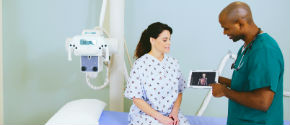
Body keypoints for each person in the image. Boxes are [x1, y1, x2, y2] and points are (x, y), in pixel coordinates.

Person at [211, 1, 284, 125]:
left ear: (240, 23)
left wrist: (225, 91)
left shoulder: (265, 50)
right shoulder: (247, 47)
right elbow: (249, 85)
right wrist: (223, 81)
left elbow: (263, 101)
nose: (224, 33)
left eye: (226, 28)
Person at [124, 22, 190, 125]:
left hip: (170, 114)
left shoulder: (173, 63)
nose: (169, 43)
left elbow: (179, 91)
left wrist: (174, 113)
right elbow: (136, 98)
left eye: (169, 39)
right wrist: (160, 118)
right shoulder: (141, 64)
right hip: (146, 115)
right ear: (152, 40)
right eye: (165, 40)